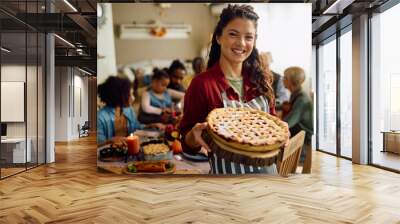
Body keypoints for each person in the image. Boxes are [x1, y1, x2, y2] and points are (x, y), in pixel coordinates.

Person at [179, 4, 286, 174]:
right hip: (227, 186)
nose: (241, 43)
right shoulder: (202, 84)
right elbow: (186, 142)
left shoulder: (261, 79)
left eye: (249, 37)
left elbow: (271, 122)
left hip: (268, 180)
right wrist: (193, 136)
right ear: (219, 37)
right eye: (233, 34)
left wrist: (280, 135)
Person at [97, 76, 165, 144]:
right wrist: (109, 141)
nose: (133, 98)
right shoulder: (100, 118)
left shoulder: (128, 109)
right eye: (129, 95)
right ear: (118, 96)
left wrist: (150, 125)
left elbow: (136, 126)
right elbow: (98, 143)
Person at [282, 66, 313, 173]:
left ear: (291, 80)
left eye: (284, 77)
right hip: (300, 137)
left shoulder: (302, 99)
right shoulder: (297, 95)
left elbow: (287, 123)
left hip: (303, 143)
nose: (282, 79)